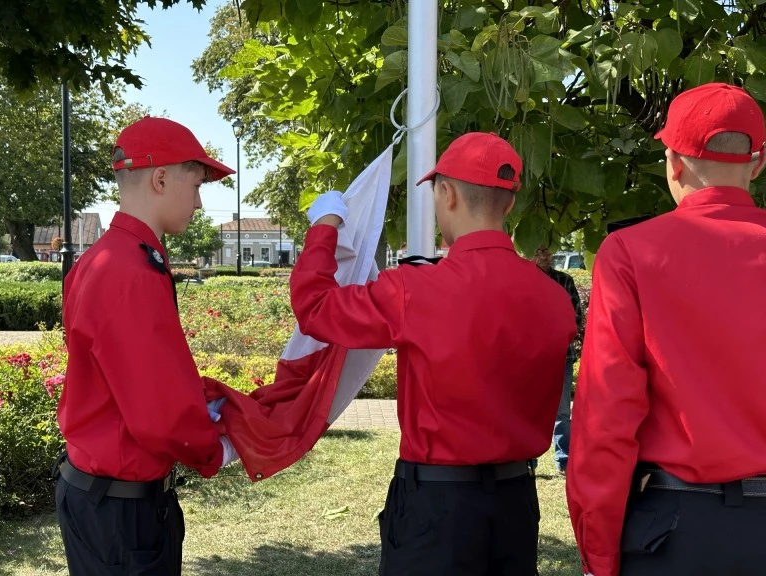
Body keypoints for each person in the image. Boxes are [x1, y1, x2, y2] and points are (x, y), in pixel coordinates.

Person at [290, 132, 577, 575]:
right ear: (509, 204)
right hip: (516, 503)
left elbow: (314, 308)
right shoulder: (554, 298)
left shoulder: (414, 290)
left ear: (447, 193)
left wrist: (325, 225)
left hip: (437, 508)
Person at [566, 82, 766, 576]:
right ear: (758, 163)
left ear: (673, 164)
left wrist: (599, 554)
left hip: (678, 530)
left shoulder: (631, 253)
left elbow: (605, 418)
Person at [54, 116, 238, 576]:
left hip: (97, 495)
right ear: (160, 179)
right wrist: (214, 449)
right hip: (121, 511)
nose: (198, 202)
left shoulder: (102, 259)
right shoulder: (130, 271)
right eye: (195, 185)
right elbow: (159, 409)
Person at [532, 245, 583, 475]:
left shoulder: (565, 280)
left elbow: (576, 317)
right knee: (528, 409)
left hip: (562, 354)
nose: (544, 256)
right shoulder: (523, 279)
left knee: (562, 412)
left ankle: (564, 461)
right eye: (538, 251)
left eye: (547, 251)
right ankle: (528, 462)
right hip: (529, 357)